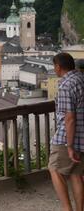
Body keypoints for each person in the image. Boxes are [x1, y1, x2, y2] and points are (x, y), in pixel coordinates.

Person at [49, 52, 84, 211]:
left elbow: (69, 118)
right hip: (82, 136)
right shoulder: (81, 79)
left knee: (54, 168)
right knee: (76, 174)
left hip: (67, 137)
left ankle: (66, 208)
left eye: (54, 67)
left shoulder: (66, 85)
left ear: (58, 67)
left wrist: (69, 146)